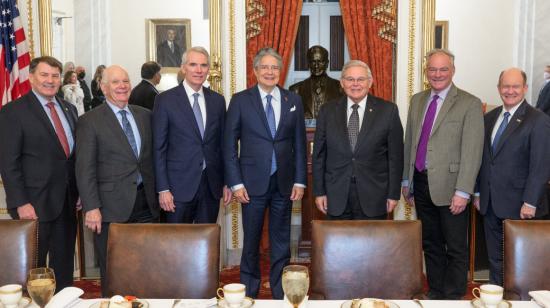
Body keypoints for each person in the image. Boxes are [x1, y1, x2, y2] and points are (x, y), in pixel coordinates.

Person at [224, 47, 307, 299]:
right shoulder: (240, 100)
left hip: (284, 183)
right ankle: (248, 293)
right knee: (251, 243)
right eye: (265, 67)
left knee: (281, 243)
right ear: (255, 70)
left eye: (274, 68)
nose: (270, 72)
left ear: (280, 72)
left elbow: (300, 144)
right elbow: (228, 146)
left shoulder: (292, 100)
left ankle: (280, 293)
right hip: (250, 185)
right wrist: (236, 183)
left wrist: (300, 180)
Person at [402, 49, 484, 299]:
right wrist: (407, 180)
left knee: (456, 247)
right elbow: (410, 142)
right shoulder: (417, 100)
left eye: (443, 69)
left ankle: (453, 296)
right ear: (426, 72)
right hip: (421, 182)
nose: (437, 74)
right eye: (432, 69)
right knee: (431, 243)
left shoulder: (469, 103)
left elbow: (473, 150)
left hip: (452, 188)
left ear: (453, 71)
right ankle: (436, 292)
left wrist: (463, 191)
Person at [76, 65, 159, 295]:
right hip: (110, 209)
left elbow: (150, 159)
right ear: (103, 87)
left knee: (146, 267)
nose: (122, 86)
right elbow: (85, 169)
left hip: (145, 205)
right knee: (114, 271)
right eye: (115, 82)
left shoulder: (145, 115)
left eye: (125, 81)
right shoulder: (90, 121)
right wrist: (91, 207)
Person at [0, 56, 79, 291]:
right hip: (33, 205)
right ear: (32, 78)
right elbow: (8, 163)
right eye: (44, 75)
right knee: (32, 270)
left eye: (55, 76)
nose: (50, 81)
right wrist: (21, 202)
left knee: (63, 267)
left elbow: (72, 156)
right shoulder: (13, 112)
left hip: (67, 202)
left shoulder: (69, 108)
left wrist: (80, 192)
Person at [474, 68, 550, 286]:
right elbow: (483, 159)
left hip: (522, 208)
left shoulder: (538, 120)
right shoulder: (489, 118)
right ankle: (497, 298)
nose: (510, 91)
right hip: (490, 204)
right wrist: (478, 192)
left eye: (515, 86)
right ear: (499, 89)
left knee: (521, 264)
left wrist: (530, 202)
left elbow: (541, 165)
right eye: (505, 86)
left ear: (525, 88)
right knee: (495, 261)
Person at [312, 60, 403, 220]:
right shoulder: (327, 111)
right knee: (337, 244)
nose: (355, 84)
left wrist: (393, 194)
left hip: (374, 195)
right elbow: (319, 156)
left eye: (360, 79)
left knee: (372, 244)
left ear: (370, 82)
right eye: (350, 79)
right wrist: (319, 192)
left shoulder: (388, 111)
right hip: (336, 194)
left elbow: (395, 157)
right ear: (342, 82)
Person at [153, 47, 231, 223]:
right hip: (177, 188)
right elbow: (159, 148)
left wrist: (227, 181)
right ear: (183, 68)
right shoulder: (165, 100)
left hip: (211, 186)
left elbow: (222, 145)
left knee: (206, 243)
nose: (199, 70)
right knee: (177, 246)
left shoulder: (218, 101)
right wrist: (163, 188)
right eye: (193, 64)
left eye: (204, 65)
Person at [289, 45, 342, 119]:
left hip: (331, 130)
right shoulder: (296, 90)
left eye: (320, 62)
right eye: (313, 62)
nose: (316, 66)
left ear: (327, 63)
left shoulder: (340, 87)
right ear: (308, 64)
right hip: (306, 130)